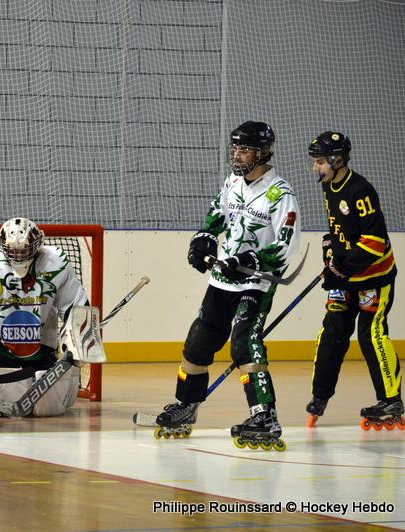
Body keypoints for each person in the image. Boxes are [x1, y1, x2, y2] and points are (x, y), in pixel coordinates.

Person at [152, 121, 299, 451]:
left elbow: (286, 246)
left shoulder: (280, 194)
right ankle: (186, 405)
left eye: (244, 149)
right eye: (234, 148)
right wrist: (203, 238)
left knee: (244, 345)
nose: (236, 155)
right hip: (221, 280)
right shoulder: (232, 182)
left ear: (263, 153)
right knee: (197, 343)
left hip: (255, 284)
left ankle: (264, 415)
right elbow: (217, 214)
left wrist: (253, 259)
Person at [306, 131, 405, 429]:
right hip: (347, 274)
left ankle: (390, 400)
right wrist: (329, 252)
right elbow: (340, 230)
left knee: (370, 334)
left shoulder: (360, 191)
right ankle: (320, 396)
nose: (315, 167)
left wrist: (341, 268)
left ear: (337, 160)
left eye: (320, 161)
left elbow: (375, 241)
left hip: (374, 276)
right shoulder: (329, 185)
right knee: (332, 332)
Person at [0, 217, 89, 416]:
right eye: (13, 251)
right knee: (0, 403)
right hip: (0, 349)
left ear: (38, 243)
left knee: (46, 409)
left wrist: (79, 339)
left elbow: (76, 305)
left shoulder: (56, 262)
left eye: (24, 250)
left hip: (42, 348)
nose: (19, 255)